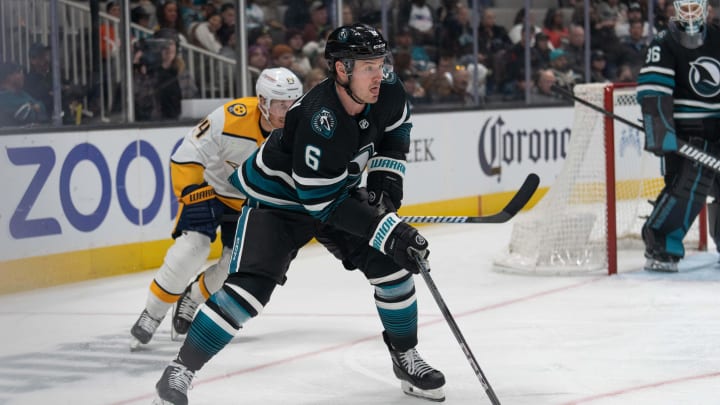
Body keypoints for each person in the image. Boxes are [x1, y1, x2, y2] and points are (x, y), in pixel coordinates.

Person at [153, 23, 445, 404]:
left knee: (393, 268)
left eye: (381, 63)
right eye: (369, 66)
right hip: (278, 201)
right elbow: (322, 204)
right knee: (247, 292)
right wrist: (387, 229)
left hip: (333, 190)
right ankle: (180, 371)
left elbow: (395, 133)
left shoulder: (387, 91)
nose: (380, 74)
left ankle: (405, 357)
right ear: (342, 70)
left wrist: (386, 190)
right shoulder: (317, 118)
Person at [129, 67, 303, 350]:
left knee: (235, 266)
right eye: (281, 105)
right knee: (191, 249)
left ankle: (192, 299)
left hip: (252, 203)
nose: (288, 111)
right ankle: (153, 311)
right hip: (211, 192)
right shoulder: (232, 117)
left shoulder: (303, 130)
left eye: (293, 103)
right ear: (262, 101)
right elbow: (189, 150)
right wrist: (190, 190)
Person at [637, 0, 720, 272]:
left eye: (696, 8)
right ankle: (661, 246)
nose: (691, 14)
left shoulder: (718, 37)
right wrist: (660, 132)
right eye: (686, 8)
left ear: (706, 8)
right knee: (687, 187)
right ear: (675, 8)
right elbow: (653, 91)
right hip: (688, 133)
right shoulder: (664, 42)